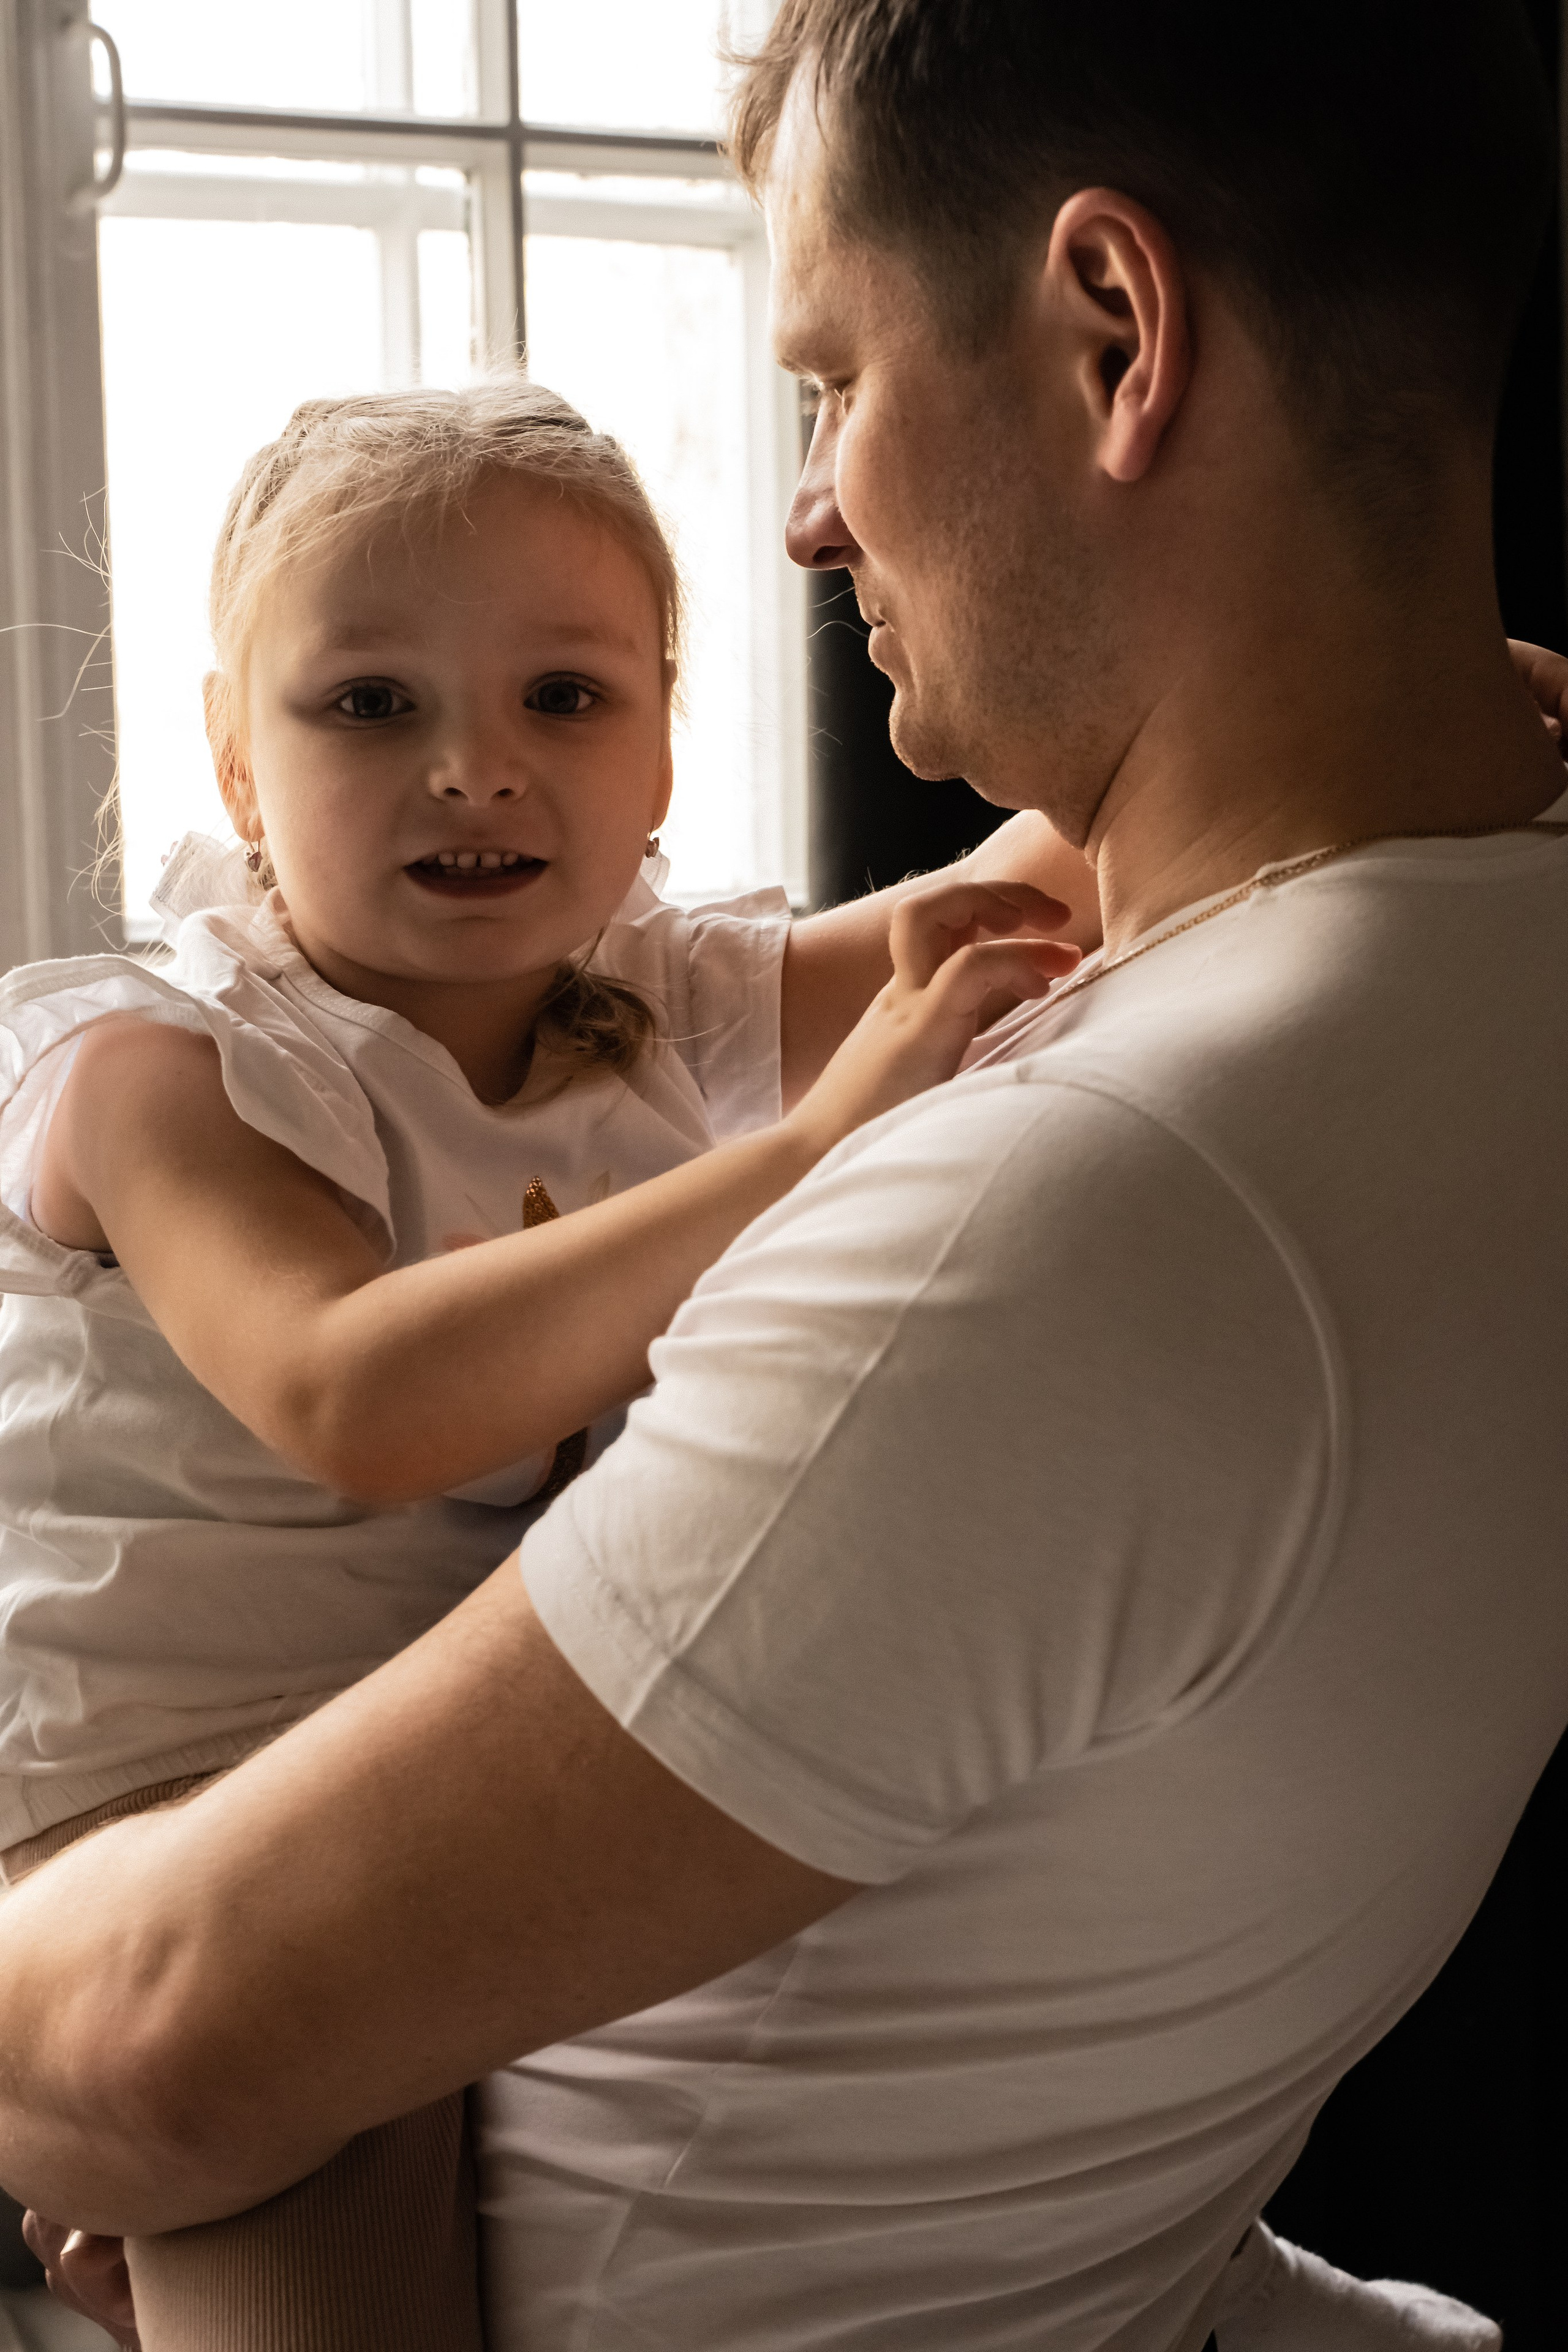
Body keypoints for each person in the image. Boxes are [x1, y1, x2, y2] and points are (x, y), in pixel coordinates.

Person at [1, 4, 1567, 2350]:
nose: (812, 495)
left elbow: (155, 2045)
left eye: (831, 379)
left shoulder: (1073, 1206)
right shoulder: (1474, 941)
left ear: (1115, 334)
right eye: (368, 704)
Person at [0, 377, 1084, 2348]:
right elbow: (358, 1393)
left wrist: (1375, 713)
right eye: (369, 706)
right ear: (235, 769)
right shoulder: (155, 1070)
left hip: (412, 1766)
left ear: (668, 739)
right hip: (139, 1835)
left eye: (564, 701)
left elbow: (1026, 901)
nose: (475, 772)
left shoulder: (650, 996)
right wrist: (813, 1148)